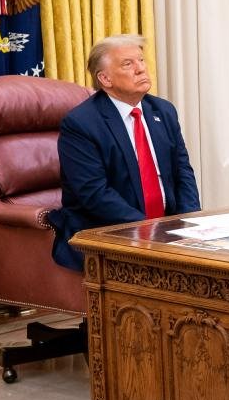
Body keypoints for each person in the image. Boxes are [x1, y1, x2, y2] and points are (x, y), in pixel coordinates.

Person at [49, 34, 200, 270]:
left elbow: (183, 172)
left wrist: (189, 223)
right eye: (128, 64)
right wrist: (151, 232)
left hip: (166, 231)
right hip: (110, 233)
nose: (141, 69)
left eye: (141, 60)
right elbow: (94, 194)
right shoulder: (81, 123)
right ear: (105, 79)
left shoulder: (163, 111)